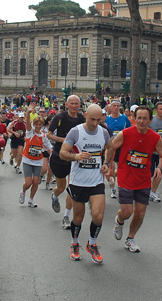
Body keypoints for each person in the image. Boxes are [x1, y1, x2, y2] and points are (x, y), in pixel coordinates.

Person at [108, 105, 162, 252]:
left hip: (144, 180)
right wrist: (109, 166)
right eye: (138, 118)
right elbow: (111, 148)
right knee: (127, 211)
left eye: (145, 118)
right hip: (126, 177)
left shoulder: (155, 138)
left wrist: (159, 167)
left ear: (150, 120)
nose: (141, 121)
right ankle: (119, 220)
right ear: (134, 118)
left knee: (140, 213)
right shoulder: (125, 133)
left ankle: (130, 239)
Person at [59, 104, 111, 263]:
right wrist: (76, 157)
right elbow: (63, 153)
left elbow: (110, 147)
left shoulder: (103, 132)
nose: (95, 123)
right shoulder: (76, 132)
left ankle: (92, 244)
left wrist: (106, 163)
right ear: (86, 115)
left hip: (96, 182)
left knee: (98, 216)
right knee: (79, 218)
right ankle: (74, 244)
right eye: (92, 119)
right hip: (78, 182)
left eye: (98, 120)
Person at [47, 95, 86, 230]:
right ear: (67, 104)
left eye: (77, 103)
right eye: (72, 104)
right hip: (59, 156)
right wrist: (64, 140)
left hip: (74, 158)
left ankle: (66, 216)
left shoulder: (82, 118)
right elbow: (49, 134)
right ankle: (55, 194)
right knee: (62, 187)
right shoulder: (60, 117)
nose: (75, 106)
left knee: (71, 188)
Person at [19, 103, 53, 208]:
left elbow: (49, 148)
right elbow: (28, 124)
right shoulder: (30, 133)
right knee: (28, 182)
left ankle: (31, 199)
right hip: (27, 160)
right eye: (36, 124)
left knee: (36, 181)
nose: (38, 126)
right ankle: (23, 191)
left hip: (38, 161)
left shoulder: (43, 136)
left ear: (42, 125)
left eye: (40, 125)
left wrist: (55, 157)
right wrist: (28, 112)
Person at [105, 99, 132, 199]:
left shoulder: (124, 118)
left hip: (122, 146)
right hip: (111, 147)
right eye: (114, 106)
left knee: (121, 167)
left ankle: (121, 187)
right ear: (110, 108)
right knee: (111, 168)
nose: (116, 108)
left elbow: (130, 129)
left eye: (117, 106)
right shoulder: (107, 119)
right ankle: (113, 188)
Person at [147, 102, 162, 202]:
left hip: (161, 152)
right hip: (150, 151)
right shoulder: (151, 121)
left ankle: (153, 192)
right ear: (156, 110)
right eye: (160, 109)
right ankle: (145, 190)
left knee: (159, 172)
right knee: (149, 173)